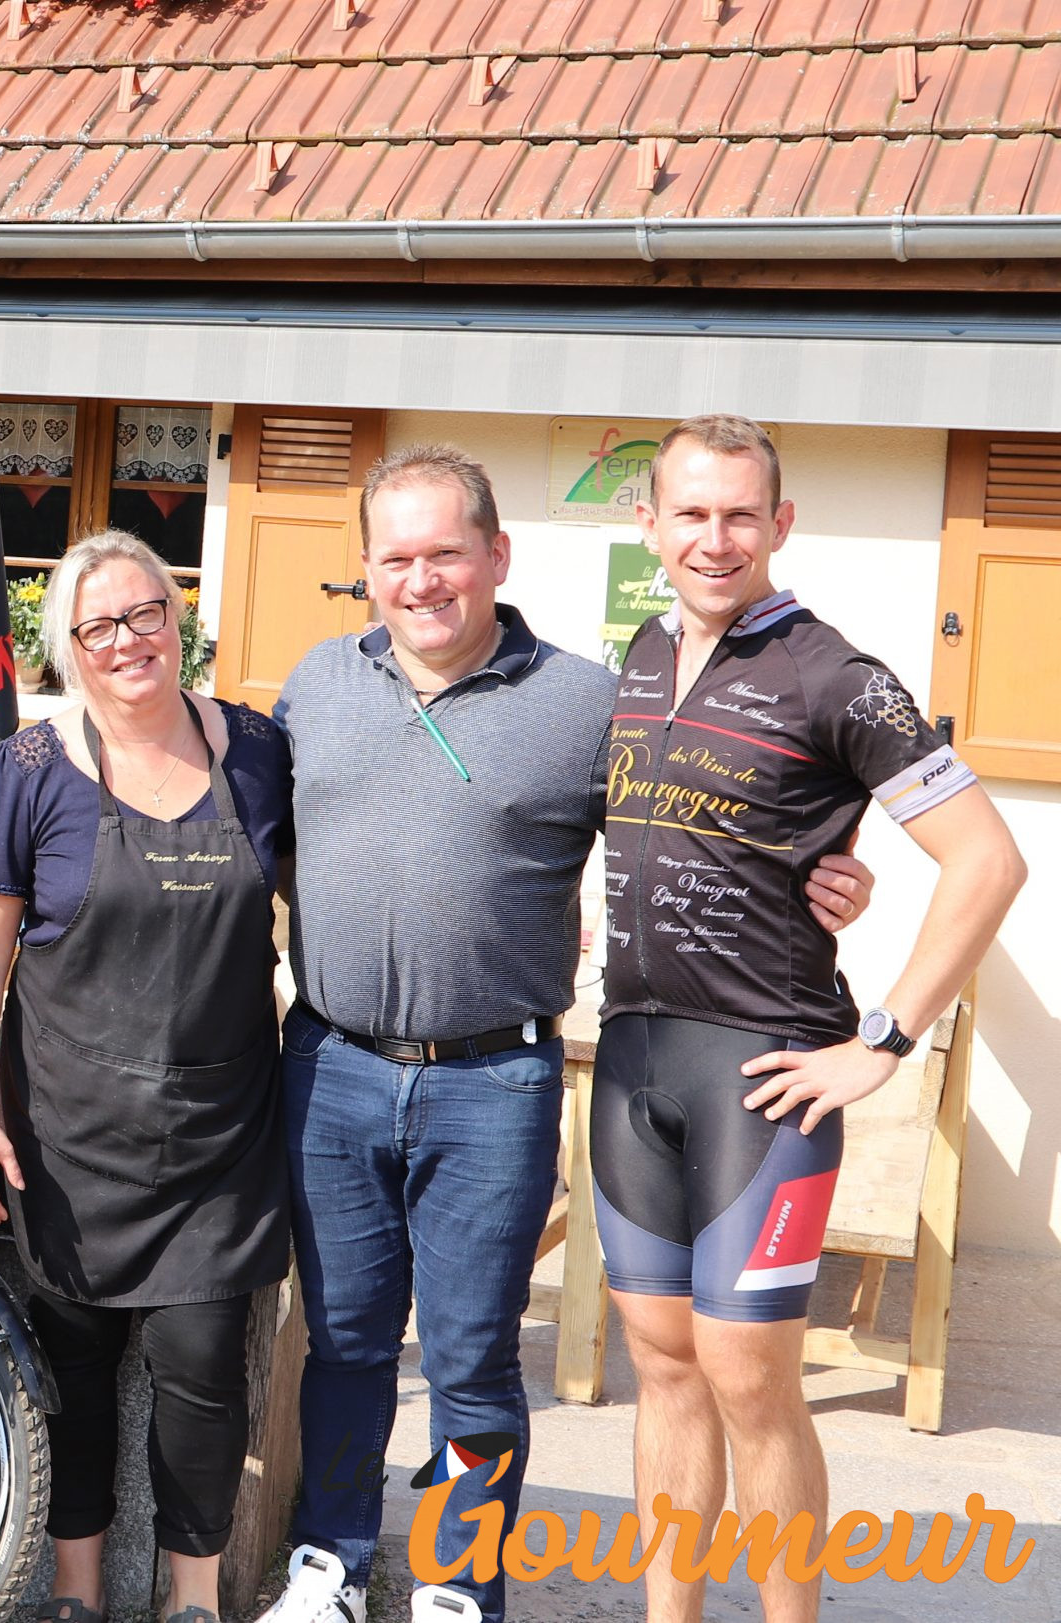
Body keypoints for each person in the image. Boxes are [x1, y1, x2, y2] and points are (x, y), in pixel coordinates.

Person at [254, 446, 874, 1623]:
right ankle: (328, 1563)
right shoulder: (316, 684)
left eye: (447, 552)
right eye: (396, 557)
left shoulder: (590, 701)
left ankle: (451, 1580)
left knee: (475, 1354)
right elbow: (271, 838)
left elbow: (697, 832)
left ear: (497, 555)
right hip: (328, 1064)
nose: (422, 579)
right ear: (366, 570)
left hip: (492, 1076)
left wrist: (831, 876)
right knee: (339, 1341)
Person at [594, 416, 1023, 1623]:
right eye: (689, 513)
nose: (713, 538)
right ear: (651, 525)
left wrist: (883, 1040)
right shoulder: (634, 654)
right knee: (663, 1373)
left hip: (760, 1080)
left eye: (740, 515)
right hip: (631, 1063)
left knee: (750, 1379)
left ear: (779, 526)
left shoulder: (834, 674)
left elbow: (986, 861)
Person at [0, 529, 296, 1623]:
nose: (129, 640)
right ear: (69, 651)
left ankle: (191, 1603)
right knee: (76, 1372)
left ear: (176, 620)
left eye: (146, 613)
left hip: (220, 1127)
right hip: (70, 1131)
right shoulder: (28, 774)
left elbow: (333, 895)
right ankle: (77, 1593)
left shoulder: (257, 751)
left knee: (201, 1374)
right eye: (99, 626)